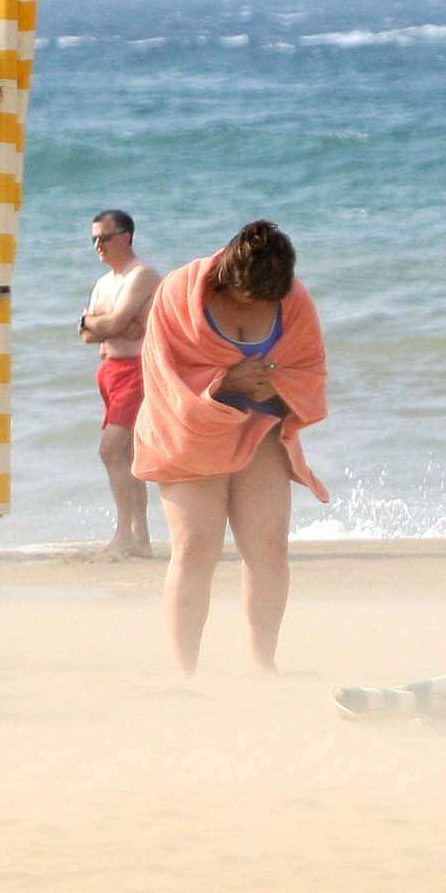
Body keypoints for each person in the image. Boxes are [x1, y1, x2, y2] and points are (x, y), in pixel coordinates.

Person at [132, 219, 330, 675]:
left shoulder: (293, 298)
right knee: (195, 547)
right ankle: (184, 671)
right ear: (227, 276)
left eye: (269, 298)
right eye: (249, 297)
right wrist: (224, 383)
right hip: (189, 437)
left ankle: (264, 662)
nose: (260, 304)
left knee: (268, 548)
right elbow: (163, 376)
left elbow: (310, 368)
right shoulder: (178, 294)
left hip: (259, 430)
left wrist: (273, 384)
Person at [77, 209, 163, 559]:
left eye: (105, 237)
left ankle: (124, 533)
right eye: (94, 239)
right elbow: (86, 332)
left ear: (126, 236)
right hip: (109, 370)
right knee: (126, 455)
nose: (98, 245)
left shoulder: (141, 275)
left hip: (135, 369)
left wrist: (105, 324)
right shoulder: (104, 283)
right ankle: (139, 537)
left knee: (111, 450)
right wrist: (101, 324)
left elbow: (113, 325)